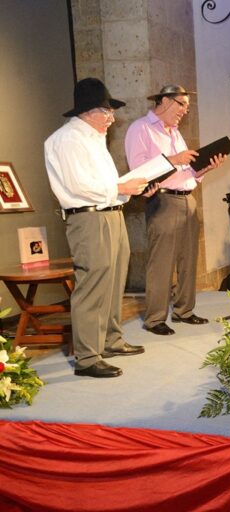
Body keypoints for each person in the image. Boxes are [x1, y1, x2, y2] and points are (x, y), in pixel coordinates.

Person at [44, 78, 148, 378]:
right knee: (91, 285)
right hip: (88, 218)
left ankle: (110, 340)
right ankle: (88, 356)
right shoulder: (67, 139)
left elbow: (105, 185)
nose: (111, 118)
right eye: (107, 111)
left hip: (111, 213)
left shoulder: (94, 138)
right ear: (89, 111)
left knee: (114, 280)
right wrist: (121, 187)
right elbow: (79, 185)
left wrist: (129, 190)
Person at [125, 84, 225, 336]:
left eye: (187, 108)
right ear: (165, 101)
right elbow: (139, 171)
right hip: (163, 201)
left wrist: (205, 168)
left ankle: (184, 310)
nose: (185, 111)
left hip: (187, 198)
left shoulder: (175, 133)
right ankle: (155, 318)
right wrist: (174, 159)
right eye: (182, 105)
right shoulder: (141, 128)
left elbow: (186, 171)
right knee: (162, 262)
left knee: (188, 259)